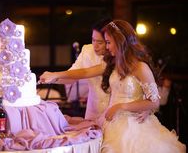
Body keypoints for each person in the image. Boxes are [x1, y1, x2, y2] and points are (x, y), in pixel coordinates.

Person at [39, 20, 186, 153]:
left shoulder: (141, 67)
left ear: (120, 42)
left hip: (134, 126)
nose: (107, 47)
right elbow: (85, 72)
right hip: (110, 123)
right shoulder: (112, 64)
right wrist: (54, 75)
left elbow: (154, 102)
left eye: (108, 42)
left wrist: (121, 106)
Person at [49, 17, 149, 122]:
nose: (95, 46)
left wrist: (146, 107)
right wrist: (53, 77)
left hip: (120, 116)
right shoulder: (87, 51)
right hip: (94, 112)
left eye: (100, 42)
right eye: (93, 40)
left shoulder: (122, 59)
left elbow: (147, 91)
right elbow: (74, 75)